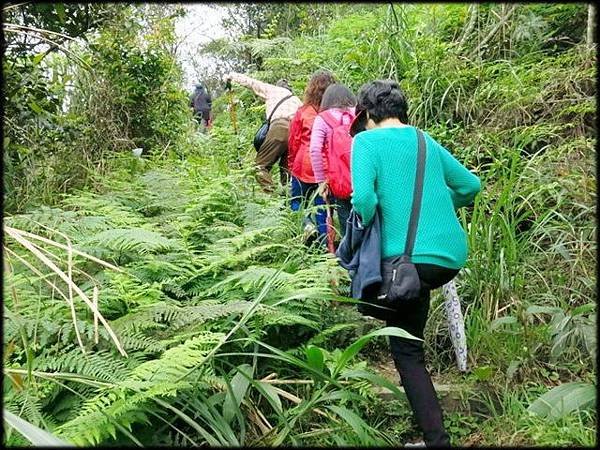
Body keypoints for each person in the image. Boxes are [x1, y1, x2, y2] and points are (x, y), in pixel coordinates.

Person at [349, 79, 481, 447]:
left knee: (406, 350)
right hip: (449, 256)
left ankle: (437, 441)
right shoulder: (426, 141)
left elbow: (362, 201)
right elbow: (471, 186)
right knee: (409, 317)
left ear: (368, 114)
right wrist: (438, 210)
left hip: (403, 263)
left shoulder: (365, 141)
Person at [226, 72, 302, 192]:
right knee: (286, 172)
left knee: (259, 166)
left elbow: (251, 82)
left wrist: (232, 76)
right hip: (295, 135)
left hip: (279, 129)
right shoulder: (297, 100)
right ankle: (286, 203)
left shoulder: (273, 90)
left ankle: (271, 199)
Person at [287, 70, 337, 243]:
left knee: (296, 201)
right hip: (323, 168)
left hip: (302, 165)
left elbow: (294, 141)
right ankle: (325, 248)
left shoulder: (303, 112)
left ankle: (307, 225)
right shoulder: (332, 115)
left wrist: (291, 164)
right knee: (322, 208)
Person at [309, 83, 356, 241]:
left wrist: (321, 181)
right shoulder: (358, 115)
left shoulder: (322, 119)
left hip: (339, 181)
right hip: (362, 176)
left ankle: (349, 259)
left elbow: (315, 150)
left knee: (345, 220)